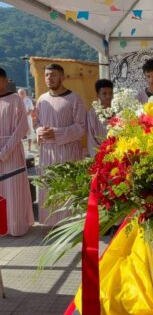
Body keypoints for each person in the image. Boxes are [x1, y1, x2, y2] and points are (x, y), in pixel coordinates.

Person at [35, 63, 86, 226]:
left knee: (67, 189)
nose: (50, 78)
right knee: (48, 188)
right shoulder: (42, 99)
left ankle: (69, 226)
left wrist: (55, 133)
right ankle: (50, 225)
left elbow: (81, 128)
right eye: (47, 75)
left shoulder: (74, 99)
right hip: (47, 154)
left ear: (62, 77)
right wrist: (38, 131)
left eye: (54, 75)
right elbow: (36, 123)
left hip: (68, 154)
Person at [0, 67, 34, 236]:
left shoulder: (15, 100)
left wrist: (4, 151)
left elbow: (22, 128)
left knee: (13, 191)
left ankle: (16, 227)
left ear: (6, 81)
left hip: (12, 152)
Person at [87, 79, 113, 157]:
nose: (108, 96)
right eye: (104, 94)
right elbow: (91, 138)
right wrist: (98, 155)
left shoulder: (118, 111)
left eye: (110, 93)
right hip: (99, 153)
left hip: (116, 151)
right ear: (98, 95)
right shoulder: (92, 113)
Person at [18, 88, 34, 154]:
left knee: (29, 134)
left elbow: (31, 110)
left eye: (23, 93)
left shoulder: (28, 100)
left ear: (25, 93)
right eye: (21, 93)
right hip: (18, 120)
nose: (22, 94)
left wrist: (24, 117)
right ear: (18, 94)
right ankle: (20, 149)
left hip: (27, 119)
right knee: (19, 134)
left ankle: (29, 148)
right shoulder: (16, 100)